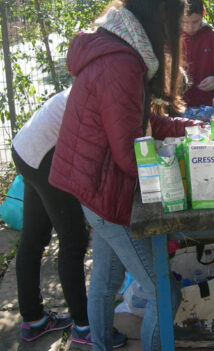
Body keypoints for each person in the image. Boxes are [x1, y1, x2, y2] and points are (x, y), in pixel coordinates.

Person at [49, 0, 202, 351]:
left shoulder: (122, 49)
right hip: (103, 187)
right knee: (164, 293)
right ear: (160, 15)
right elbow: (129, 151)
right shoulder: (122, 63)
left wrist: (191, 127)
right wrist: (177, 174)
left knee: (105, 281)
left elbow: (141, 123)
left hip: (93, 182)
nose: (175, 35)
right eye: (174, 24)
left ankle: (100, 344)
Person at [11, 88, 127, 348]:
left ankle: (33, 320)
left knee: (33, 238)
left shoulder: (99, 78)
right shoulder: (114, 91)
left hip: (26, 148)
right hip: (43, 155)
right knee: (73, 239)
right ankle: (85, 325)